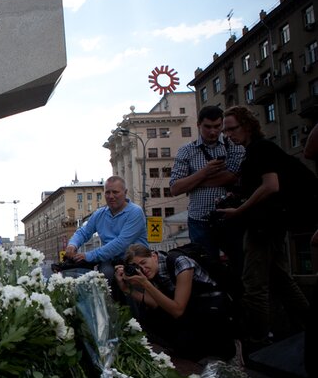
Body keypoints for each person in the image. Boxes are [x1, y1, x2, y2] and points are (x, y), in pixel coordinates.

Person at [215, 106, 311, 348]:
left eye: (232, 129)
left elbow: (270, 186)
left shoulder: (260, 148)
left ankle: (259, 340)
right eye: (225, 131)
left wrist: (239, 209)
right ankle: (308, 325)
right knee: (281, 279)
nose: (228, 135)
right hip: (270, 222)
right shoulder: (253, 151)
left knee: (254, 284)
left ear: (247, 125)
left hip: (264, 224)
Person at [116, 244, 235, 361]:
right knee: (151, 317)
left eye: (143, 263)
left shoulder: (180, 262)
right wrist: (126, 290)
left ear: (153, 256)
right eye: (137, 267)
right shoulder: (151, 272)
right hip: (191, 310)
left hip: (212, 309)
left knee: (204, 349)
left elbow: (177, 310)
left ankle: (230, 346)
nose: (143, 269)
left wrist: (145, 284)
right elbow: (155, 304)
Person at [169, 105, 245, 262]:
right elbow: (175, 188)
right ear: (198, 125)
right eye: (207, 127)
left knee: (239, 265)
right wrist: (205, 171)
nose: (213, 132)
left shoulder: (234, 145)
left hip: (230, 217)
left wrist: (193, 181)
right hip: (199, 220)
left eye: (217, 127)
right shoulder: (186, 151)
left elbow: (232, 176)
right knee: (205, 268)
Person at [64, 176, 148, 295]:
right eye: (107, 192)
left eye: (115, 192)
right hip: (111, 260)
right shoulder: (100, 214)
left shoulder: (135, 212)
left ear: (125, 193)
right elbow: (83, 232)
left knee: (123, 280)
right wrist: (72, 245)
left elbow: (121, 243)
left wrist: (88, 256)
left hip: (135, 260)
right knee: (98, 279)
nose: (111, 196)